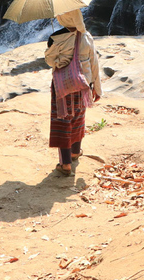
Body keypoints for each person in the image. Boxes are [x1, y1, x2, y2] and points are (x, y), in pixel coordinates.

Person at [44, 9, 102, 176]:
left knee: (63, 120)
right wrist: (97, 88)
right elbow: (94, 62)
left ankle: (66, 164)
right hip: (82, 84)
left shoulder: (56, 38)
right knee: (78, 117)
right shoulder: (86, 36)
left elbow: (50, 61)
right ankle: (76, 152)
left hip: (62, 86)